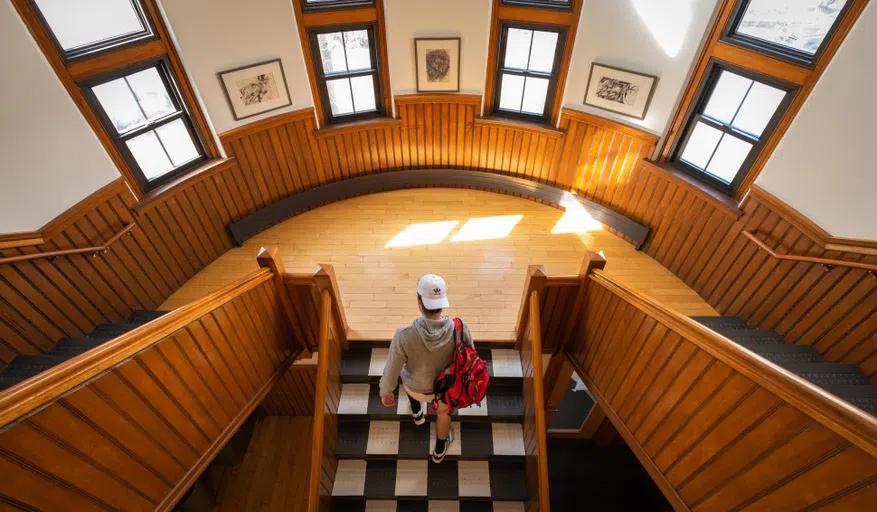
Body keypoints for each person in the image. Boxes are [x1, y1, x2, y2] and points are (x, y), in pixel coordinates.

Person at [379, 274, 473, 463]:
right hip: (445, 392)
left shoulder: (403, 336)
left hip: (416, 389)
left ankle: (417, 414)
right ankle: (439, 450)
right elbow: (470, 357)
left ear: (419, 302)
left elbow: (392, 370)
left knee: (408, 378)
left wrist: (385, 391)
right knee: (443, 413)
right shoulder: (460, 327)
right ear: (443, 302)